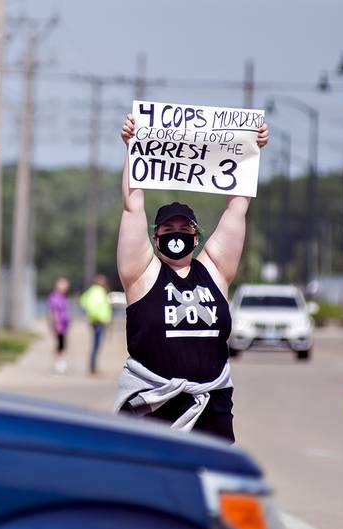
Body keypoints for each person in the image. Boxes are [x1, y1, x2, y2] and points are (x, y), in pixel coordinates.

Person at [113, 114, 268, 443]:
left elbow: (237, 208)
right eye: (169, 230)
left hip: (211, 407)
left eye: (185, 230)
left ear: (197, 237)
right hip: (152, 408)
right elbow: (132, 207)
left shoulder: (214, 269)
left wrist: (251, 151)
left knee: (211, 490)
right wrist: (132, 148)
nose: (177, 235)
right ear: (156, 239)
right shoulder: (142, 273)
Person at [79, 274, 112, 375]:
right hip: (98, 322)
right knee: (96, 346)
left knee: (96, 345)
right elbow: (92, 306)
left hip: (97, 321)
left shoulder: (93, 291)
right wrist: (97, 318)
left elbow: (83, 301)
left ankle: (93, 367)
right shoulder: (97, 291)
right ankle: (93, 368)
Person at [47, 277, 70, 374]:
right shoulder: (55, 297)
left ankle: (59, 362)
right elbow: (54, 312)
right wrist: (55, 325)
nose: (66, 287)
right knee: (59, 345)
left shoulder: (62, 297)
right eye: (64, 285)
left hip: (63, 326)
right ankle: (58, 364)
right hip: (58, 326)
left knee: (62, 345)